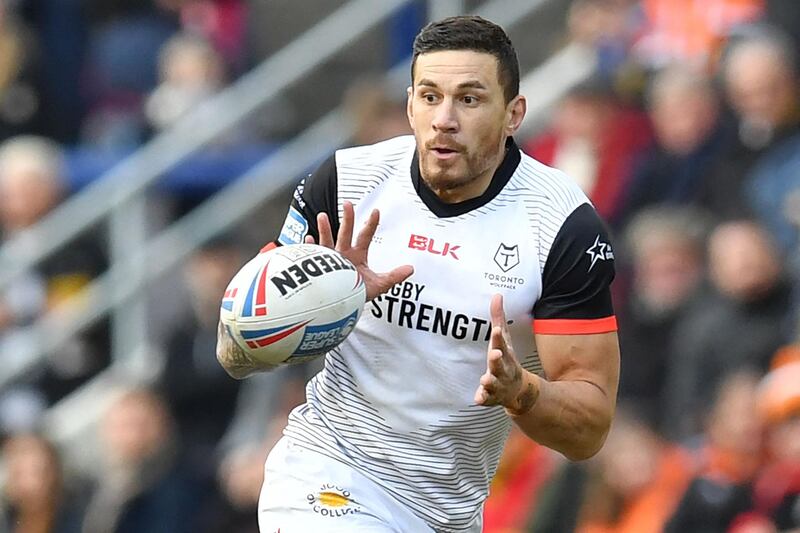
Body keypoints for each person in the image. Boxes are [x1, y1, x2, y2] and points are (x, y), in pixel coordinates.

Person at [216, 16, 620, 532]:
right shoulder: (343, 185)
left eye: (469, 100)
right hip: (327, 472)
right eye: (429, 97)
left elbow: (589, 430)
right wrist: (322, 301)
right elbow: (232, 351)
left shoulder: (562, 226)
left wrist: (521, 391)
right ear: (410, 104)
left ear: (514, 113)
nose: (444, 119)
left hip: (447, 511)